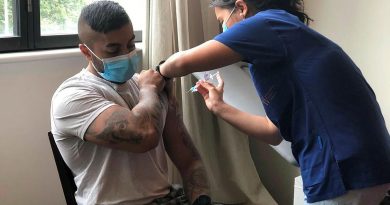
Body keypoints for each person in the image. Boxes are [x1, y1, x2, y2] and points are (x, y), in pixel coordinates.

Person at [157, 0, 390, 204]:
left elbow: (182, 63)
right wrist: (219, 107)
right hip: (363, 162)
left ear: (241, 7)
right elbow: (273, 132)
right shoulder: (278, 52)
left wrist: (159, 72)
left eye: (222, 20)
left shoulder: (267, 23)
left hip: (344, 165)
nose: (223, 29)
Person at [50, 1, 212, 204]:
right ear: (86, 52)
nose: (126, 54)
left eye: (130, 44)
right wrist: (149, 90)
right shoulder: (72, 96)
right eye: (113, 50)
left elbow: (188, 160)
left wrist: (201, 199)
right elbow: (144, 136)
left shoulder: (148, 89)